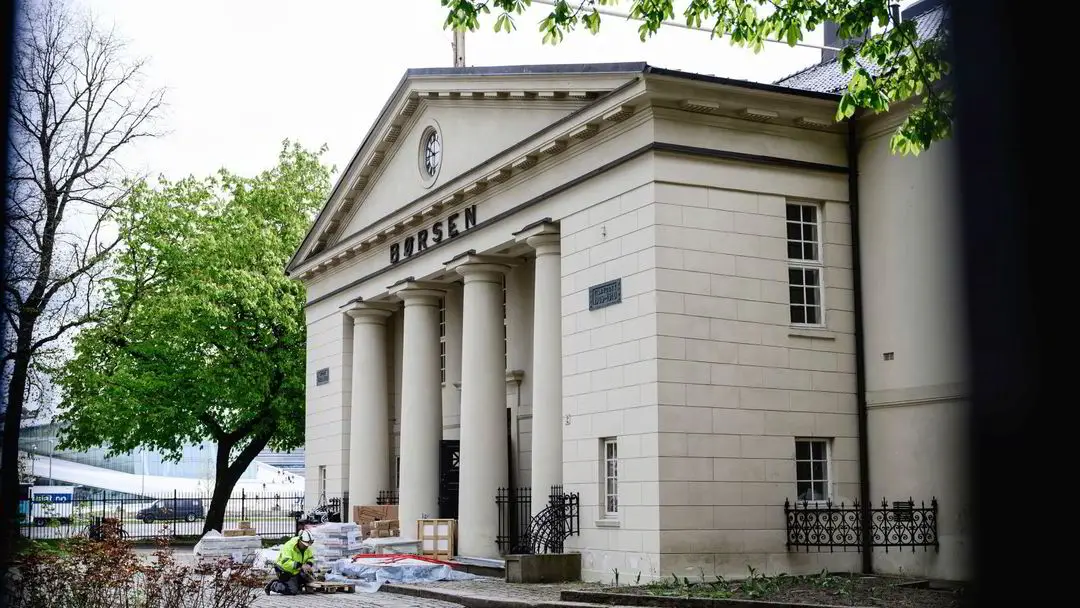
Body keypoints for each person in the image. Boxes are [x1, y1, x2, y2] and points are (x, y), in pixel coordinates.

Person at [266, 529, 316, 595]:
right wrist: (301, 566)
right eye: (304, 545)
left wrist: (309, 564)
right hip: (284, 570)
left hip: (296, 570)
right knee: (292, 590)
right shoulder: (289, 546)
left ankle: (295, 584)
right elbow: (285, 563)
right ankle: (273, 585)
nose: (306, 547)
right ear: (299, 540)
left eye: (307, 545)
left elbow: (311, 558)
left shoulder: (307, 546)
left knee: (309, 577)